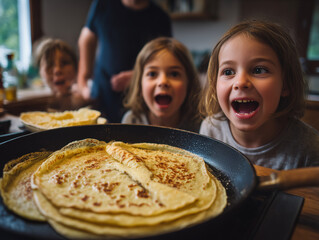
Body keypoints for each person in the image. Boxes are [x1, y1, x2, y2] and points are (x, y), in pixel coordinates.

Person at [199, 19, 319, 170]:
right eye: (228, 72)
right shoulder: (210, 130)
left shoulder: (310, 147)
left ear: (286, 84)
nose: (240, 82)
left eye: (259, 70)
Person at [77, 0, 172, 122]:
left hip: (139, 99)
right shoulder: (103, 4)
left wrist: (137, 77)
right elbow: (86, 38)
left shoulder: (161, 17)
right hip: (102, 93)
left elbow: (165, 57)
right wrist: (83, 80)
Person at [122, 37, 202, 133]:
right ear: (140, 84)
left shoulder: (200, 125)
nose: (162, 82)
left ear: (189, 83)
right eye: (152, 74)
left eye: (174, 74)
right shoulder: (131, 121)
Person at [34, 38, 94, 111]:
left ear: (76, 67)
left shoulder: (86, 93)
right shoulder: (37, 100)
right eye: (50, 64)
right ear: (40, 72)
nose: (57, 70)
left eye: (65, 63)